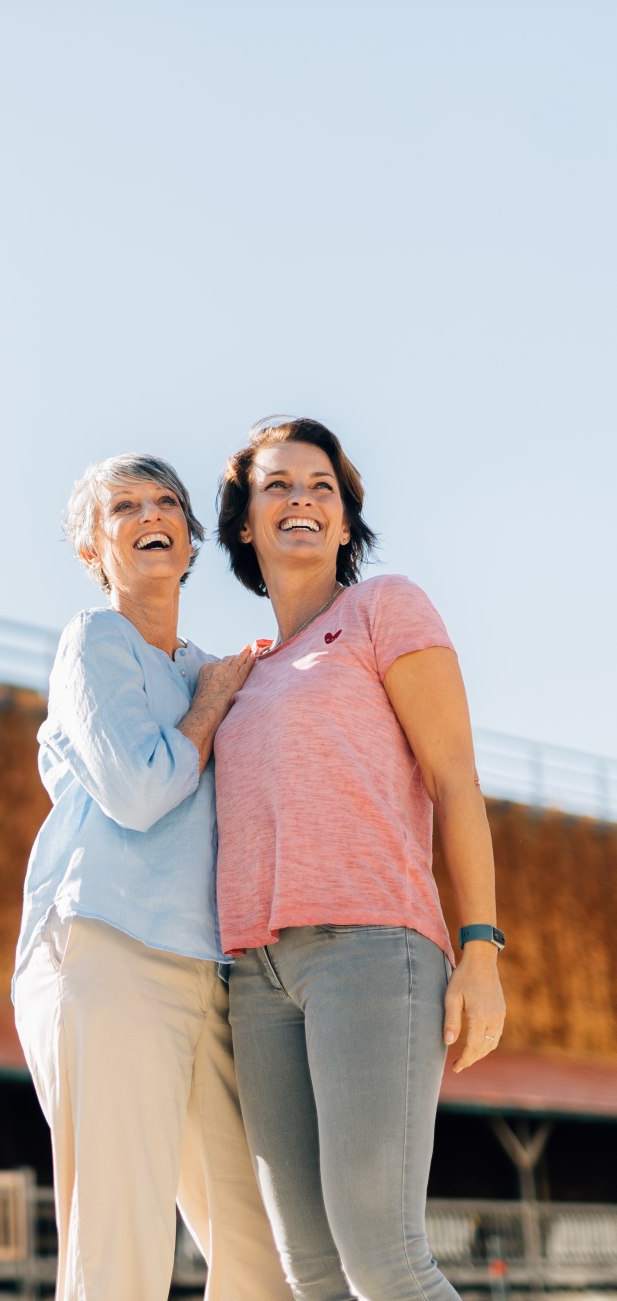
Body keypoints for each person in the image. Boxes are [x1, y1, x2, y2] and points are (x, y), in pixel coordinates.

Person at [213, 416, 506, 1301]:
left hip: (372, 950)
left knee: (382, 1251)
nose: (300, 498)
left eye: (320, 487)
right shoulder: (240, 676)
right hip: (257, 974)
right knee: (309, 1264)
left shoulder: (384, 608)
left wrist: (482, 949)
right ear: (243, 524)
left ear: (343, 524)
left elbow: (455, 781)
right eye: (277, 485)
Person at [13, 453, 289, 1301]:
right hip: (109, 948)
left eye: (164, 500)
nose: (148, 513)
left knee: (265, 1260)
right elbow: (137, 790)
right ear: (97, 549)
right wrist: (208, 708)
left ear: (190, 538)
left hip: (209, 970)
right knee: (119, 1254)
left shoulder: (212, 666)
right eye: (122, 506)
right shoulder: (95, 640)